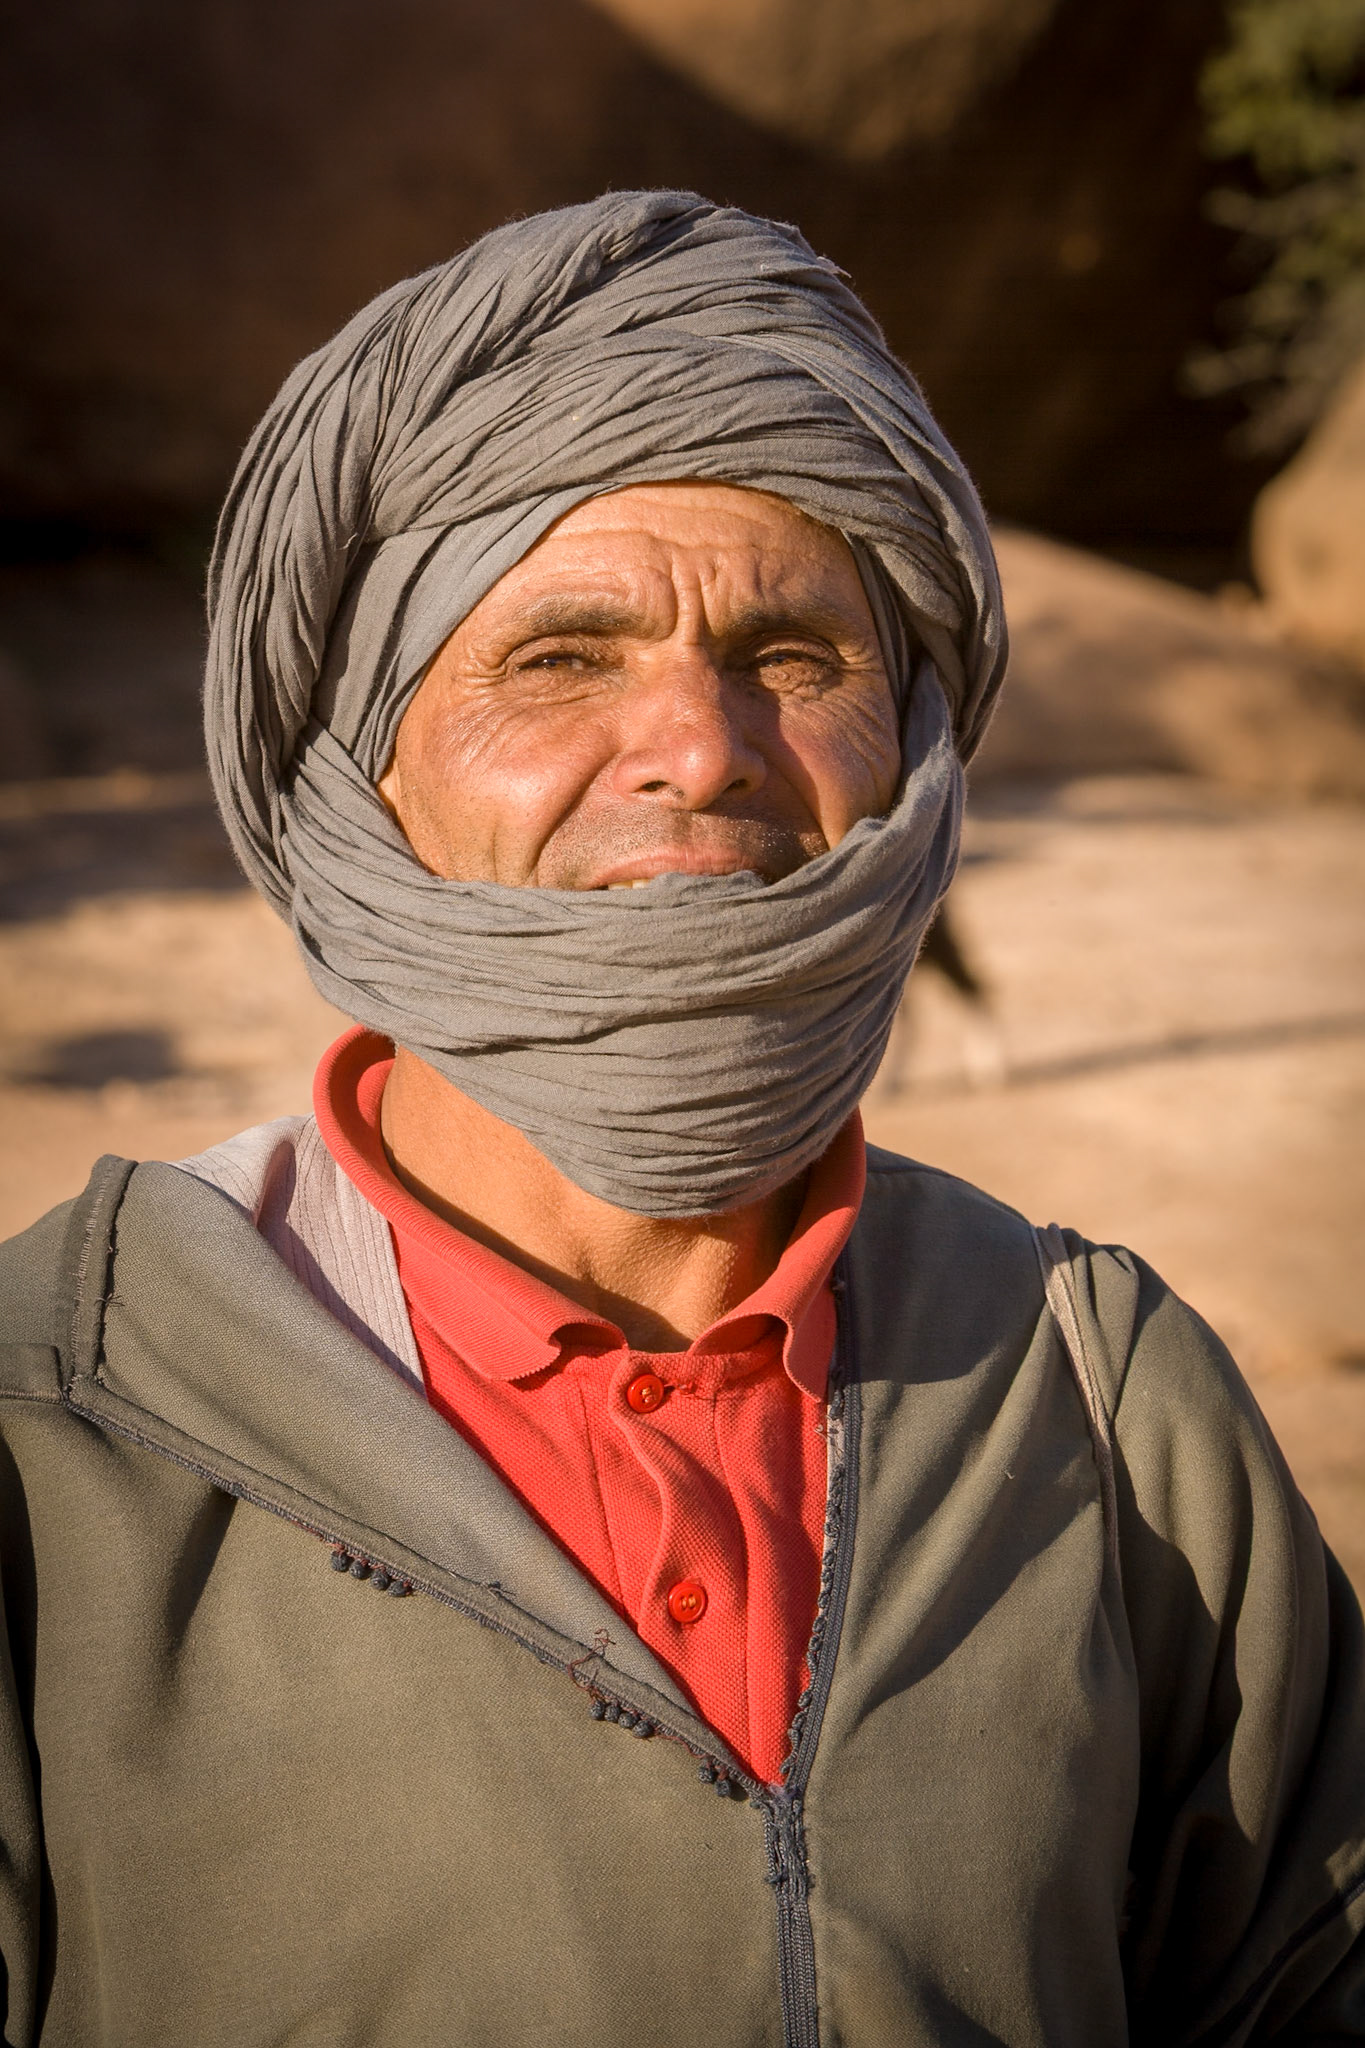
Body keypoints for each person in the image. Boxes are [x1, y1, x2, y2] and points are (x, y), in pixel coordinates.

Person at [1, 191, 1361, 2048]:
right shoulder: (56, 1439)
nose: (704, 748)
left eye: (793, 656)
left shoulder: (1107, 1404)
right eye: (560, 659)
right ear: (353, 768)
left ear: (910, 742)